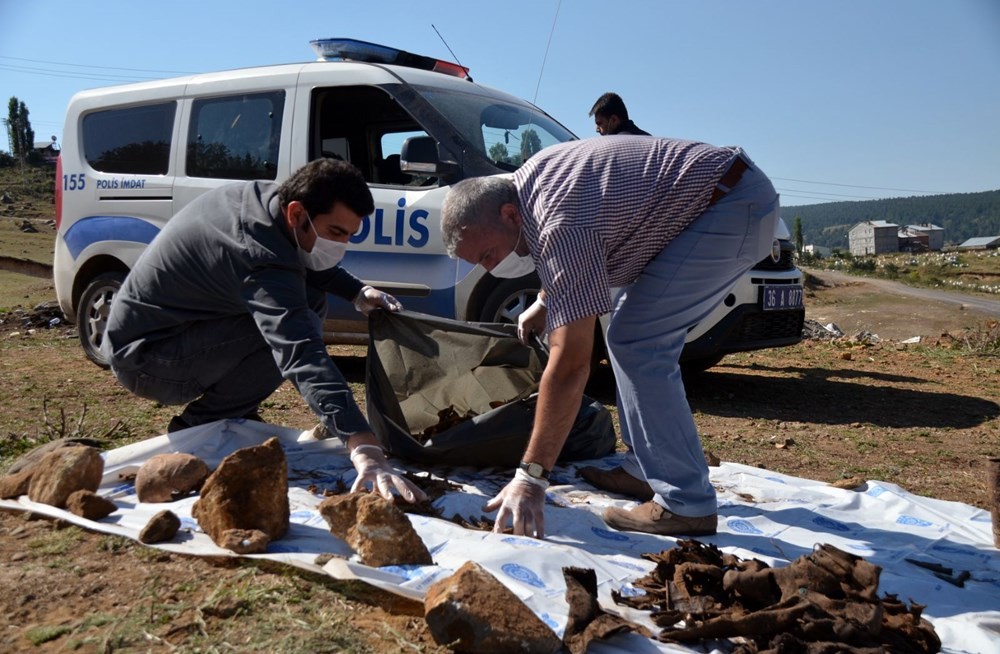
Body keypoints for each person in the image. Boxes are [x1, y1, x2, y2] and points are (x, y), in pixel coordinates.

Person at [440, 137, 779, 538]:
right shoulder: (532, 189)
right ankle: (648, 469)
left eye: (487, 255)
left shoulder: (558, 219)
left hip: (729, 204)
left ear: (510, 215)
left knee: (640, 341)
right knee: (628, 336)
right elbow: (585, 245)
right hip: (715, 199)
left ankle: (687, 504)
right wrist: (547, 300)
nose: (491, 269)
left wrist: (531, 477)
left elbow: (571, 364)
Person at [103, 158, 426, 504]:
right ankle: (199, 426)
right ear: (297, 214)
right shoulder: (257, 249)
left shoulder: (267, 203)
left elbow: (297, 256)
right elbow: (300, 351)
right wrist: (364, 447)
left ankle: (229, 412)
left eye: (350, 234)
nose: (342, 245)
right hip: (148, 358)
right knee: (293, 322)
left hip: (176, 333)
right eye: (335, 233)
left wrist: (357, 291)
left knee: (306, 301)